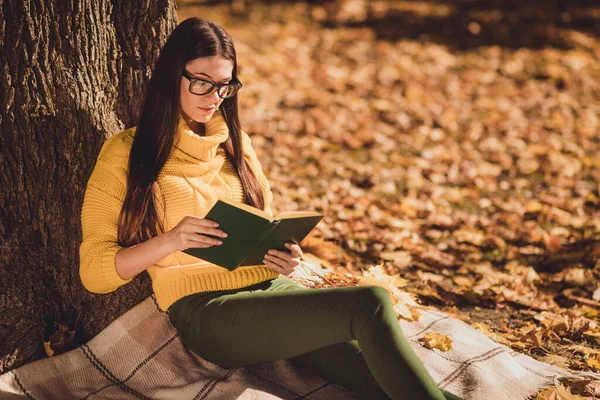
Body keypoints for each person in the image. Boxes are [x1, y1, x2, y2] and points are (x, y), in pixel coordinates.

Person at [79, 16, 463, 400]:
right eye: (201, 82)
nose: (213, 97)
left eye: (224, 86)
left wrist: (286, 257)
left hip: (270, 288)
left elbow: (266, 221)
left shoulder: (237, 144)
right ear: (170, 76)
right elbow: (94, 273)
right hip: (207, 311)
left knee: (378, 378)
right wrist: (171, 241)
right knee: (370, 303)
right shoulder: (126, 153)